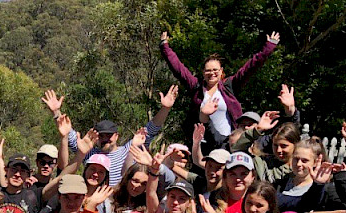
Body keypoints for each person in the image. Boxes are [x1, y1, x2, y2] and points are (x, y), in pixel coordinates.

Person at [160, 30, 279, 149]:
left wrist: (269, 47)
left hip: (229, 141)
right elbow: (178, 69)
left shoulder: (229, 86)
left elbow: (250, 68)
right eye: (208, 70)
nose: (212, 73)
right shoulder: (196, 88)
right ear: (203, 72)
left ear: (221, 71)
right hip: (204, 143)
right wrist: (165, 47)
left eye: (215, 70)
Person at [48, 86, 176, 186]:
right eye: (102, 136)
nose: (106, 139)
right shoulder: (88, 152)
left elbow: (151, 129)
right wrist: (56, 111)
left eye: (109, 135)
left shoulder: (129, 150)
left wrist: (165, 108)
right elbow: (66, 130)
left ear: (116, 136)